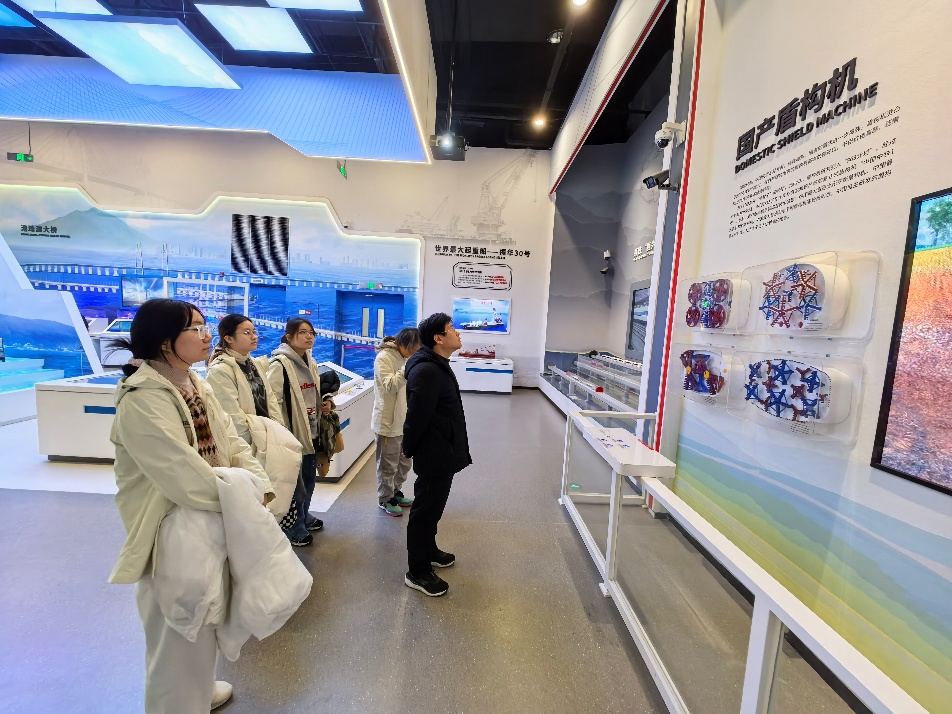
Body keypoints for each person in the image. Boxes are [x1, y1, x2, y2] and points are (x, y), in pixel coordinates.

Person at [107, 298, 273, 712]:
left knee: (205, 615)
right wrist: (246, 496)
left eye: (204, 325)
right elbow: (185, 480)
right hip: (170, 530)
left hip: (211, 520)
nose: (205, 335)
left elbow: (230, 441)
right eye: (194, 328)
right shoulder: (143, 398)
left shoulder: (194, 382)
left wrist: (258, 483)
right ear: (165, 342)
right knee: (177, 629)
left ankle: (198, 691)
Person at [401, 312, 472, 597]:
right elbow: (416, 417)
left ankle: (428, 551)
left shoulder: (437, 364)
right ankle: (417, 572)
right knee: (424, 511)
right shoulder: (427, 370)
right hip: (434, 453)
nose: (458, 333)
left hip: (444, 449)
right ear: (438, 338)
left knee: (434, 508)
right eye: (451, 329)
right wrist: (408, 447)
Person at [267, 318, 330, 547]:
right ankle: (293, 526)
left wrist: (325, 402)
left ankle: (304, 515)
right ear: (289, 336)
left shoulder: (310, 361)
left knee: (308, 479)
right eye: (303, 332)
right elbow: (273, 401)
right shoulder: (280, 364)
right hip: (292, 433)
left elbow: (313, 392)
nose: (309, 336)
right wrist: (282, 433)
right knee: (294, 484)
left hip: (310, 429)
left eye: (311, 332)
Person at [206, 313, 284, 444]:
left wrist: (279, 430)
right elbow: (233, 418)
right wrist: (257, 444)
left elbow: (270, 400)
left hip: (270, 437)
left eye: (254, 332)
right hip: (250, 444)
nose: (254, 337)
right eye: (247, 333)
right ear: (228, 338)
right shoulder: (220, 371)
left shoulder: (253, 363)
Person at [371, 328, 421, 516]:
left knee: (404, 462)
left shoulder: (405, 358)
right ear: (403, 343)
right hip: (388, 423)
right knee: (387, 465)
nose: (415, 353)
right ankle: (385, 498)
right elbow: (390, 386)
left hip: (405, 421)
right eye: (414, 349)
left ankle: (396, 491)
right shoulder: (383, 358)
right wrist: (408, 366)